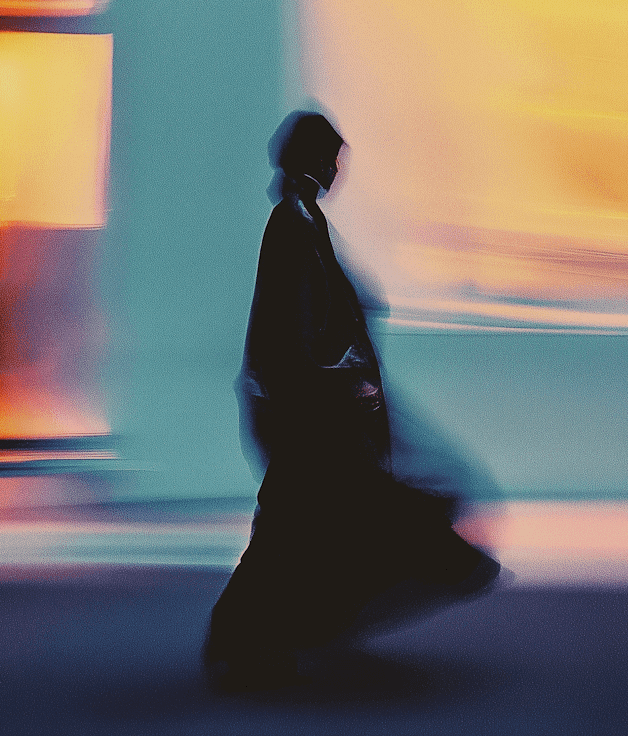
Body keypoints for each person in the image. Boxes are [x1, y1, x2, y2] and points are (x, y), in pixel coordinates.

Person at [204, 111, 504, 690]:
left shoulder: (303, 220)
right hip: (306, 416)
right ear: (310, 159)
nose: (337, 171)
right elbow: (297, 330)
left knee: (296, 531)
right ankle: (246, 640)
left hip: (309, 412)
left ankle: (252, 639)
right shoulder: (292, 225)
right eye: (331, 159)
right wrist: (346, 378)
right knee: (297, 530)